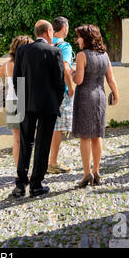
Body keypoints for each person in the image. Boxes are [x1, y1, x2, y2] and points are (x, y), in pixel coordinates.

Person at [12, 20, 65, 198]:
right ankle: (36, 184)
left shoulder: (22, 51)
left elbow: (16, 80)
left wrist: (22, 101)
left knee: (26, 142)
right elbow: (60, 83)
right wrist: (56, 102)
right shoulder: (54, 51)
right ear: (49, 32)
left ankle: (20, 185)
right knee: (42, 144)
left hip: (26, 104)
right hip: (47, 105)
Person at [72, 24, 119, 188]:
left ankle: (87, 174)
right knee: (97, 135)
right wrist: (116, 94)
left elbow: (78, 80)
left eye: (79, 36)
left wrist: (71, 72)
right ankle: (97, 171)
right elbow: (111, 79)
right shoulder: (104, 55)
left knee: (85, 136)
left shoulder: (81, 56)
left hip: (85, 96)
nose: (77, 40)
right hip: (100, 96)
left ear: (85, 38)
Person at [0, 35, 34, 168]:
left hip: (11, 102)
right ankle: (27, 168)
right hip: (27, 102)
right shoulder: (30, 64)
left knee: (17, 140)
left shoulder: (7, 65)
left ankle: (19, 170)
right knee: (28, 139)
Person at [48, 17, 75, 174]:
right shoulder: (64, 46)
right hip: (60, 91)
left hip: (46, 90)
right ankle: (53, 162)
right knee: (57, 129)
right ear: (64, 27)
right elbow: (65, 67)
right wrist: (70, 87)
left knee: (49, 127)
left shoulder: (47, 43)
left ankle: (46, 160)